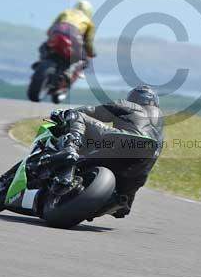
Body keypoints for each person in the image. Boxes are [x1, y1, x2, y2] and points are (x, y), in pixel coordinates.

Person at [48, 85, 164, 218]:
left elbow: (93, 111)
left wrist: (66, 114)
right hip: (140, 169)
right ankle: (116, 201)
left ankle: (71, 148)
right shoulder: (160, 124)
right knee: (122, 205)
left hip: (124, 143)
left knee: (78, 116)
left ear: (133, 97)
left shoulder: (129, 105)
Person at [41, 0, 96, 82]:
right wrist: (91, 53)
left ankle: (41, 61)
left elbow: (50, 29)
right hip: (74, 37)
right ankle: (68, 73)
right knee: (84, 59)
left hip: (56, 33)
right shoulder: (89, 22)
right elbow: (88, 42)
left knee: (45, 46)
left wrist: (50, 36)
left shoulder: (65, 12)